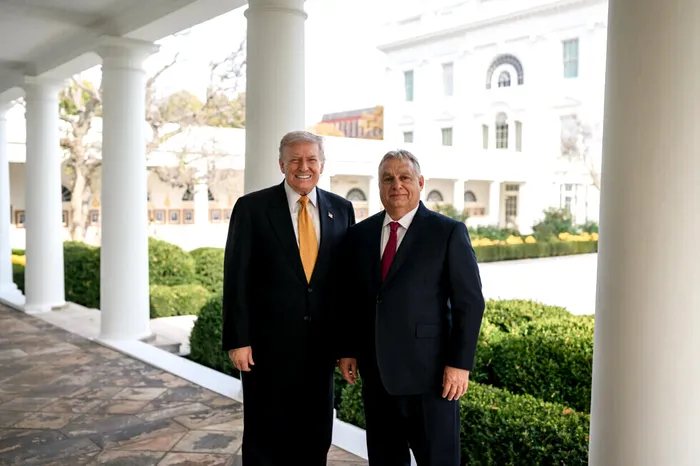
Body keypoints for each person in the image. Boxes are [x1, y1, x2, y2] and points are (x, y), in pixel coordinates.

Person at [337, 149, 485, 465]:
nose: (397, 185)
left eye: (404, 177)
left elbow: (470, 302)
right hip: (377, 377)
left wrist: (460, 364)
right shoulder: (360, 235)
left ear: (420, 182)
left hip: (431, 379)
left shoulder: (447, 232)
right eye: (388, 179)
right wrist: (348, 349)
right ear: (379, 185)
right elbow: (351, 298)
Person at [222, 130, 356, 465]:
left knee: (316, 434)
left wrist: (347, 347)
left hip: (320, 350)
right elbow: (236, 278)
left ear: (322, 164)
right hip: (266, 349)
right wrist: (238, 340)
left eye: (311, 159)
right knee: (265, 437)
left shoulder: (342, 209)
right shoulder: (252, 208)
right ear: (282, 165)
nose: (303, 167)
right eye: (295, 159)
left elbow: (346, 285)